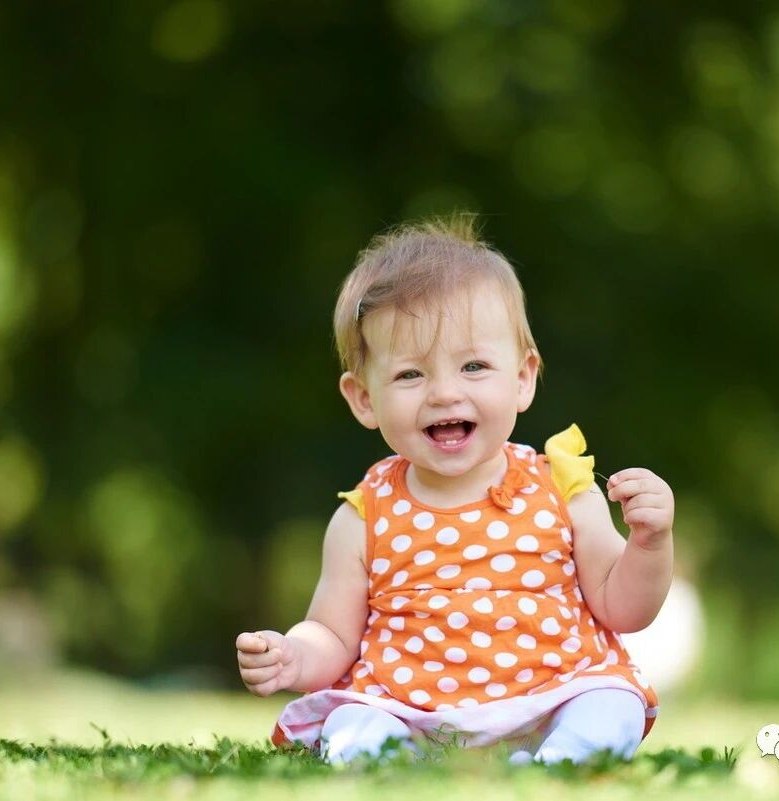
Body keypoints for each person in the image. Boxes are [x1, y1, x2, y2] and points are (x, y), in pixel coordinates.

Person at [236, 215, 675, 765]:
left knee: (612, 703)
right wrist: (294, 655)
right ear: (364, 399)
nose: (444, 393)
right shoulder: (364, 515)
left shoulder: (564, 489)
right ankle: (396, 764)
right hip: (411, 711)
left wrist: (650, 544)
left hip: (550, 702)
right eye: (410, 375)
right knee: (354, 723)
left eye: (473, 366)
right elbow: (333, 633)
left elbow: (622, 607)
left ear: (523, 378)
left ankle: (555, 764)